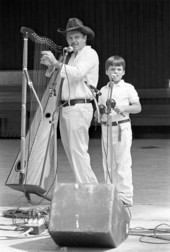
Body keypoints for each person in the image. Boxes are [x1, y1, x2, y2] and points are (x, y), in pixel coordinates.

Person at [40, 17, 99, 184]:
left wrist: (56, 63)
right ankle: (88, 188)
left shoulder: (89, 53)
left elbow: (78, 73)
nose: (74, 41)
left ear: (85, 38)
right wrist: (51, 65)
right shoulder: (71, 57)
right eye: (70, 38)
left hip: (79, 107)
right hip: (67, 108)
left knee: (78, 151)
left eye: (77, 37)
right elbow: (61, 76)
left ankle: (90, 190)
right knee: (73, 152)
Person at [97, 55, 142, 206]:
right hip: (106, 128)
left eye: (118, 69)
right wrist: (99, 113)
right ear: (106, 72)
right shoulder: (103, 90)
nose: (115, 72)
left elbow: (137, 107)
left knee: (122, 162)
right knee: (108, 163)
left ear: (123, 72)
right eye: (112, 69)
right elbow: (100, 111)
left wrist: (123, 107)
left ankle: (125, 196)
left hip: (121, 127)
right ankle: (111, 193)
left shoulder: (128, 88)